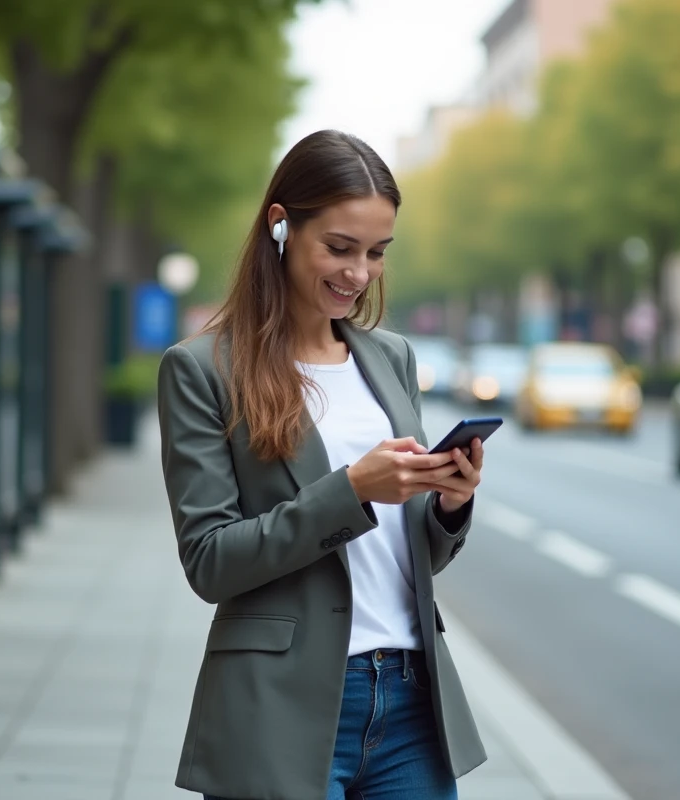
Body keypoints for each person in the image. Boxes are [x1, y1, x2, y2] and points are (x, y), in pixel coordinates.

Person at [156, 130, 488, 800]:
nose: (358, 273)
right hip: (281, 706)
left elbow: (411, 556)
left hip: (409, 702)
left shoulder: (391, 358)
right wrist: (351, 492)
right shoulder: (201, 371)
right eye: (339, 248)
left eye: (376, 252)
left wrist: (449, 504)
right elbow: (211, 562)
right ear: (280, 225)